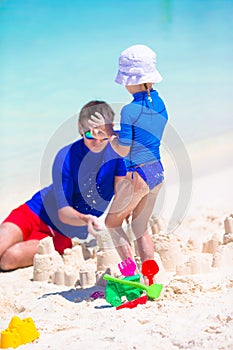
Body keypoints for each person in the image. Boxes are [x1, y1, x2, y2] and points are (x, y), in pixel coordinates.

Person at [0, 101, 126, 271]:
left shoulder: (118, 150)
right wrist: (85, 219)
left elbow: (122, 193)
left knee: (8, 260)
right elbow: (64, 212)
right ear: (80, 128)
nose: (96, 141)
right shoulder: (66, 156)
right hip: (37, 211)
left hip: (63, 233)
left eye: (102, 134)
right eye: (89, 134)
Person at [89, 44, 168, 267]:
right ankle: (150, 277)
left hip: (138, 174)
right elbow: (143, 133)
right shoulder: (160, 104)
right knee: (140, 227)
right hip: (157, 172)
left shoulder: (129, 110)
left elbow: (123, 149)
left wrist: (108, 134)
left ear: (130, 80)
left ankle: (130, 272)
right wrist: (114, 131)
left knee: (112, 222)